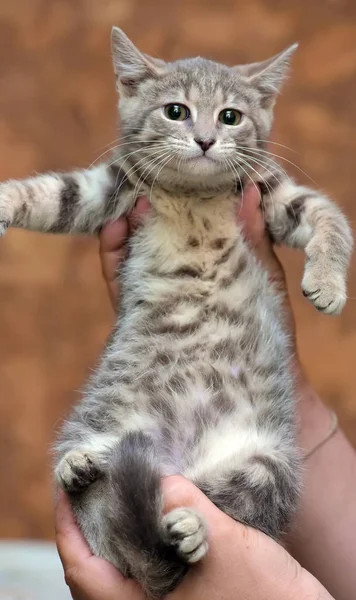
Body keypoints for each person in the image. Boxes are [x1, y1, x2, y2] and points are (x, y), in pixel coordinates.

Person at [55, 186, 356, 600]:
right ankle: (155, 536)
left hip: (185, 474)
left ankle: (168, 544)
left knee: (268, 474)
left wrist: (278, 590)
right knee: (106, 440)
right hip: (190, 409)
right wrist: (287, 380)